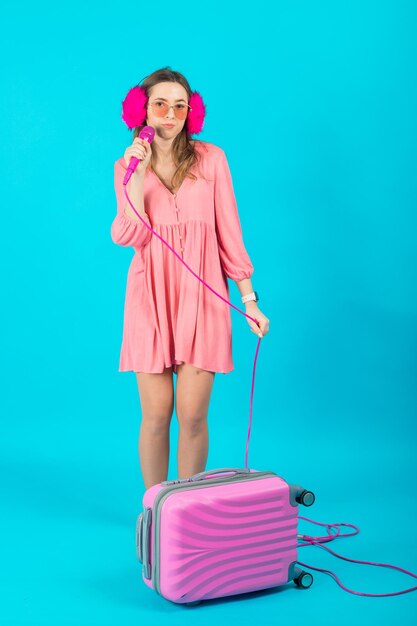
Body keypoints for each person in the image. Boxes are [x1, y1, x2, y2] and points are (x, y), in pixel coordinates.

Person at [111, 67, 270, 490]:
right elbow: (130, 234)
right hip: (150, 298)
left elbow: (228, 231)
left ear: (190, 111)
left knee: (194, 416)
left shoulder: (212, 159)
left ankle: (185, 508)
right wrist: (138, 173)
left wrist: (249, 299)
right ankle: (154, 510)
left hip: (204, 299)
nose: (170, 114)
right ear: (141, 109)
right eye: (160, 104)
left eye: (179, 105)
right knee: (157, 414)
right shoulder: (125, 167)